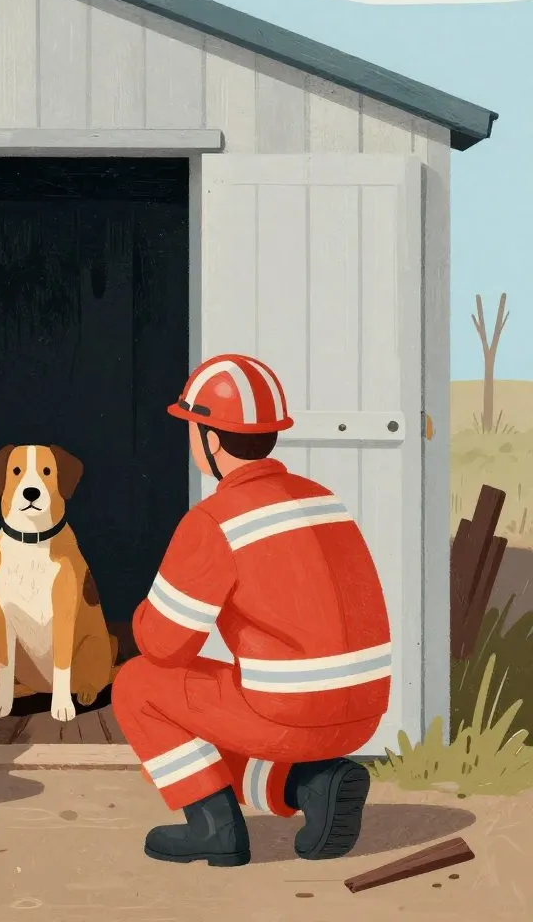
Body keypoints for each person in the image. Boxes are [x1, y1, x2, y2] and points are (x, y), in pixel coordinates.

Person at [111, 353, 391, 867]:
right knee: (218, 708)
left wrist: (147, 609)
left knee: (138, 685)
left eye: (191, 428)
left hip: (289, 713)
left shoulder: (214, 520)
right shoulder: (323, 499)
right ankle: (311, 784)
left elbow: (164, 646)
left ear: (211, 440)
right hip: (364, 712)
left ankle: (214, 829)